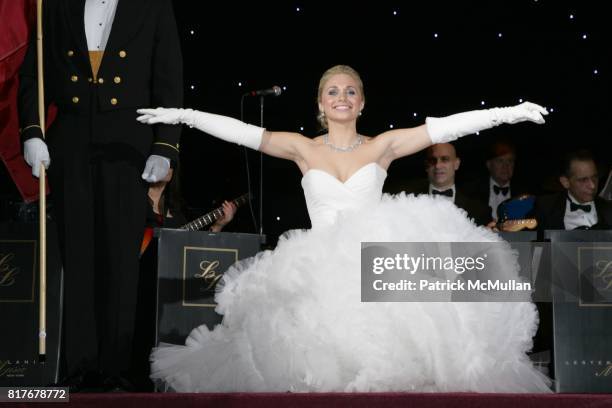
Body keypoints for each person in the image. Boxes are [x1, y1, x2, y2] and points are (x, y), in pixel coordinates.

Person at [137, 65, 551, 392]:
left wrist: (506, 114)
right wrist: (185, 116)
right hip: (318, 268)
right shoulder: (303, 148)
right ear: (320, 102)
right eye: (333, 91)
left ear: (362, 102)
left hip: (375, 267)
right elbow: (244, 134)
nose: (342, 97)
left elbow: (443, 128)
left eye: (350, 90)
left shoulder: (381, 145)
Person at [18, 0, 183, 391]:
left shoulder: (153, 6)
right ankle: (80, 366)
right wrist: (32, 131)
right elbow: (33, 75)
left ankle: (116, 368)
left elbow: (169, 76)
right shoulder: (54, 5)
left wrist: (166, 145)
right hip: (70, 141)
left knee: (121, 257)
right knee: (77, 255)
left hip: (129, 142)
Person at [133, 165, 237, 391]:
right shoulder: (133, 202)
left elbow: (193, 252)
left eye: (170, 166)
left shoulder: (176, 212)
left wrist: (218, 226)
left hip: (169, 291)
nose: (165, 170)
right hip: (138, 285)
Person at [407, 143, 490, 226]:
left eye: (445, 159)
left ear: (456, 164)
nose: (438, 166)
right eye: (432, 160)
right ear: (426, 165)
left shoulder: (478, 208)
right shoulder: (408, 200)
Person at [534, 149, 612, 231]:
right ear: (565, 182)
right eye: (583, 180)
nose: (592, 186)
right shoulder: (545, 207)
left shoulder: (608, 209)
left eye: (594, 177)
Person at [464, 139, 532, 221]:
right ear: (489, 165)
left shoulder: (525, 193)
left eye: (510, 161)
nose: (506, 166)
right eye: (500, 161)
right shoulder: (472, 192)